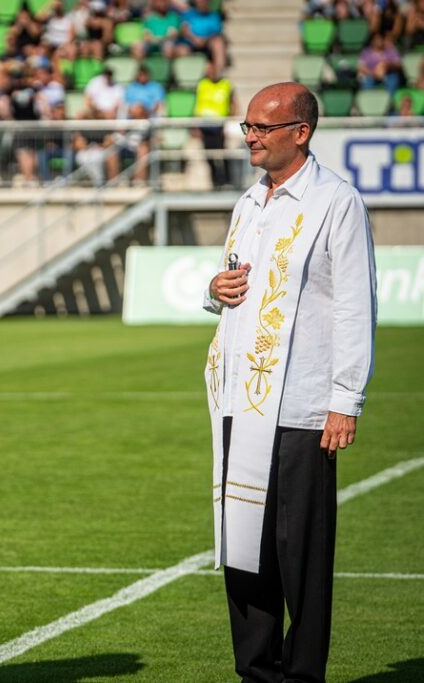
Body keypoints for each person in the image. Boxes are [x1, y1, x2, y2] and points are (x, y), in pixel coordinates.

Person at [203, 82, 376, 683]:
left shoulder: (336, 201)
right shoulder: (249, 200)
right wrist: (213, 290)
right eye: (247, 126)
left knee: (300, 558)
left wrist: (344, 400)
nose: (249, 136)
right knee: (243, 552)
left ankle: (302, 676)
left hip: (302, 407)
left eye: (261, 127)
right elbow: (233, 284)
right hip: (237, 401)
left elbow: (355, 306)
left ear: (299, 133)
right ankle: (256, 673)